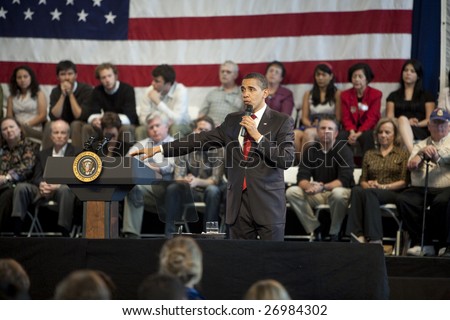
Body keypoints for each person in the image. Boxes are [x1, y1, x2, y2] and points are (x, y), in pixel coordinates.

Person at [130, 72, 295, 241]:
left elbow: (286, 159)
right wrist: (160, 148)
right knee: (241, 262)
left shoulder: (281, 121)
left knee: (272, 261)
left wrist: (258, 136)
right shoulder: (233, 120)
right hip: (238, 205)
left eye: (251, 89)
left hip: (267, 203)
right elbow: (200, 140)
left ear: (265, 93)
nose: (245, 93)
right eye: (243, 89)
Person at [286, 115, 354, 241]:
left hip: (340, 193)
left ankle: (335, 232)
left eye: (330, 128)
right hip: (318, 193)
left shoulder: (344, 150)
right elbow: (302, 176)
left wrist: (322, 187)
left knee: (338, 193)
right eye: (323, 128)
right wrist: (309, 186)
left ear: (336, 133)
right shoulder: (310, 150)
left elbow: (344, 180)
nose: (326, 131)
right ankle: (316, 229)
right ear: (317, 131)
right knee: (292, 192)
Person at [11, 120, 81, 237]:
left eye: (63, 133)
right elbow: (36, 176)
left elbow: (77, 177)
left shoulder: (77, 152)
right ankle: (17, 228)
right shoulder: (42, 154)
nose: (59, 136)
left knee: (65, 190)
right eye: (56, 132)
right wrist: (42, 184)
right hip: (43, 189)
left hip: (63, 190)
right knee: (21, 187)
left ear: (68, 135)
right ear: (51, 136)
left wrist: (56, 186)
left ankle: (64, 231)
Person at [396, 108, 450, 256]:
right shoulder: (421, 144)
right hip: (421, 188)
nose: (439, 127)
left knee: (442, 202)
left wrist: (435, 155)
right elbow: (411, 164)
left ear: (449, 126)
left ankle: (445, 244)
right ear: (429, 126)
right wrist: (419, 155)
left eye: (442, 123)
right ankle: (423, 242)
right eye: (435, 123)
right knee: (404, 200)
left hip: (446, 188)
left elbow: (446, 155)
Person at [346, 118, 409, 244]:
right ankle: (357, 235)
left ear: (395, 135)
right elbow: (363, 179)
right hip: (373, 191)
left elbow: (404, 181)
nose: (383, 135)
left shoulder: (402, 154)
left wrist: (382, 186)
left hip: (393, 191)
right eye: (380, 132)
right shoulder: (369, 154)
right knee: (357, 190)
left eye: (387, 132)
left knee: (370, 193)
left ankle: (375, 238)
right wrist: (369, 184)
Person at [167, 116, 224, 233]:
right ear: (194, 131)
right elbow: (178, 176)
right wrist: (186, 180)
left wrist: (197, 181)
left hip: (210, 189)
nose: (202, 133)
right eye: (200, 129)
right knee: (173, 188)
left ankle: (210, 235)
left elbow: (215, 179)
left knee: (213, 190)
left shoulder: (219, 149)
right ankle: (170, 233)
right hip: (191, 190)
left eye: (206, 130)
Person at [122, 112, 175, 238]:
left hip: (164, 187)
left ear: (166, 127)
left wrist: (140, 166)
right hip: (142, 186)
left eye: (157, 125)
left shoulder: (174, 144)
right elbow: (126, 163)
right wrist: (149, 167)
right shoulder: (141, 144)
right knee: (131, 188)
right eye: (151, 127)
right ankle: (131, 235)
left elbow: (167, 167)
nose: (155, 129)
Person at [386, 59, 436, 153]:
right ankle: (412, 153)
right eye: (405, 70)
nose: (408, 73)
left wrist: (416, 123)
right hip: (397, 128)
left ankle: (409, 154)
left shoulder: (427, 96)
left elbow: (430, 119)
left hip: (419, 129)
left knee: (402, 126)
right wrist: (405, 122)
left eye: (412, 71)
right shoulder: (393, 96)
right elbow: (389, 118)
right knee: (402, 119)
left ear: (418, 76)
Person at [0, 118, 39, 232]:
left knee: (7, 194)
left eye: (11, 127)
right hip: (3, 185)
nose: (8, 130)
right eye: (4, 129)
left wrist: (6, 177)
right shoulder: (3, 149)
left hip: (22, 186)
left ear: (19, 129)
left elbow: (27, 168)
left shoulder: (30, 145)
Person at [83, 62, 138, 144]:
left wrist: (109, 120)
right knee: (87, 127)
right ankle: (88, 155)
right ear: (100, 80)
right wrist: (94, 120)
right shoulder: (97, 91)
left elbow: (130, 117)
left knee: (126, 129)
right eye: (103, 77)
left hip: (123, 123)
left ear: (115, 76)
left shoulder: (127, 90)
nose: (107, 80)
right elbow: (91, 113)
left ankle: (126, 156)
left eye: (109, 76)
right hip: (104, 123)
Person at [294, 63, 341, 157]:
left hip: (328, 126)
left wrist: (321, 125)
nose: (320, 78)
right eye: (318, 75)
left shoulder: (337, 94)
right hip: (311, 124)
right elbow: (304, 118)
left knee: (308, 134)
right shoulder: (308, 94)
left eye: (323, 75)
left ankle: (305, 166)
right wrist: (312, 124)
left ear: (331, 76)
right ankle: (296, 164)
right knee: (294, 134)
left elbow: (338, 118)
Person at [47, 60, 93, 149]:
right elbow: (54, 116)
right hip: (63, 124)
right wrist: (63, 95)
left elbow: (79, 115)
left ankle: (76, 157)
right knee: (50, 125)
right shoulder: (55, 91)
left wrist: (70, 93)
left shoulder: (86, 89)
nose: (67, 78)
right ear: (58, 77)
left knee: (75, 124)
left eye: (70, 74)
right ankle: (47, 159)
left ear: (76, 75)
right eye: (63, 74)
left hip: (82, 124)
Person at [136, 64, 190, 140]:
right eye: (153, 80)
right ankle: (143, 152)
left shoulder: (181, 91)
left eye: (157, 81)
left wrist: (158, 102)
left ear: (168, 84)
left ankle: (175, 152)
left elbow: (178, 120)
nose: (152, 83)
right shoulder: (149, 91)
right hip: (156, 124)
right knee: (140, 130)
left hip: (180, 125)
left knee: (175, 128)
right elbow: (142, 119)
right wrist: (157, 124)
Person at [340, 63, 382, 153]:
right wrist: (352, 132)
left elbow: (372, 118)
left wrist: (358, 134)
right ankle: (341, 165)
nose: (356, 79)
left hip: (368, 128)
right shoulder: (345, 95)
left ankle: (368, 165)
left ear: (367, 78)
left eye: (360, 76)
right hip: (350, 129)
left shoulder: (375, 94)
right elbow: (345, 117)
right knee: (341, 136)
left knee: (367, 136)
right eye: (354, 76)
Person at [6, 65, 47, 141]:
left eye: (25, 77)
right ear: (15, 80)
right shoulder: (11, 97)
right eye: (19, 77)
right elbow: (9, 117)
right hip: (16, 129)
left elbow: (42, 116)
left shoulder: (39, 94)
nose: (22, 80)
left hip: (34, 128)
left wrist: (25, 126)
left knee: (21, 132)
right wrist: (15, 127)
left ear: (31, 78)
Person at [198, 61, 244, 126]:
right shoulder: (213, 93)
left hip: (229, 130)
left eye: (228, 72)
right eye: (222, 71)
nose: (224, 74)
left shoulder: (243, 94)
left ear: (235, 75)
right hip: (209, 129)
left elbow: (245, 117)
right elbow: (201, 115)